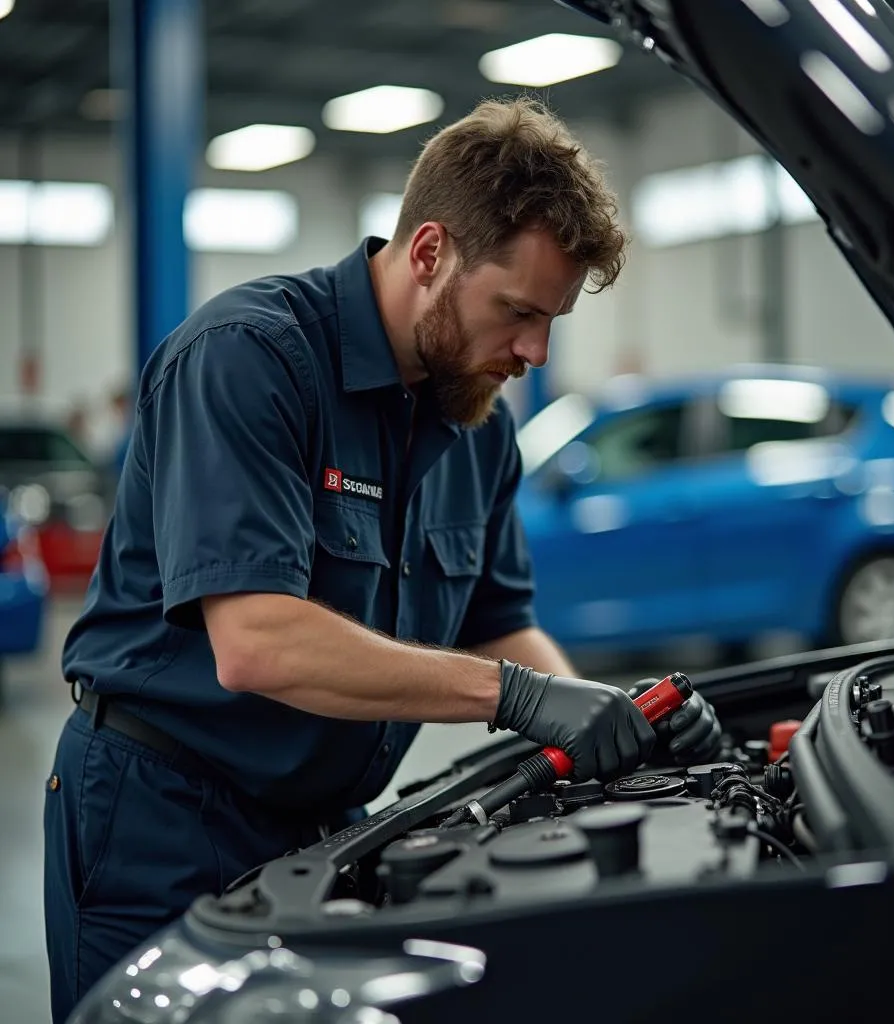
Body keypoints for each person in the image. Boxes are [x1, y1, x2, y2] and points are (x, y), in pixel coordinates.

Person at [43, 96, 722, 1022]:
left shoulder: (477, 426)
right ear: (431, 252)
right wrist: (519, 701)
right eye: (518, 311)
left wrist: (610, 725)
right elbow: (258, 642)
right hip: (162, 818)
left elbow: (499, 624)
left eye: (552, 320)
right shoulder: (251, 359)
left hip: (328, 828)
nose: (534, 350)